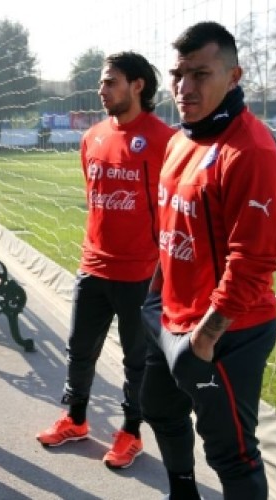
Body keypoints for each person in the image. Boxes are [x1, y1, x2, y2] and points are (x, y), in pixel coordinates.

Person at [141, 21, 276, 500]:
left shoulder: (253, 152)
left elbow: (254, 262)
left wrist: (205, 338)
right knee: (159, 408)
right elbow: (171, 231)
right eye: (177, 74)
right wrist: (155, 295)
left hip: (228, 333)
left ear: (234, 76)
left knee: (232, 453)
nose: (184, 88)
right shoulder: (179, 140)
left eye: (200, 74)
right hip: (171, 316)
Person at [35, 52, 174, 470]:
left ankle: (131, 432)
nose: (101, 89)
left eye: (110, 81)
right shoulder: (92, 136)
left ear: (138, 86)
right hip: (93, 266)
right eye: (101, 82)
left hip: (140, 274)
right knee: (79, 349)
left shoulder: (166, 140)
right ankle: (75, 419)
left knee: (137, 361)